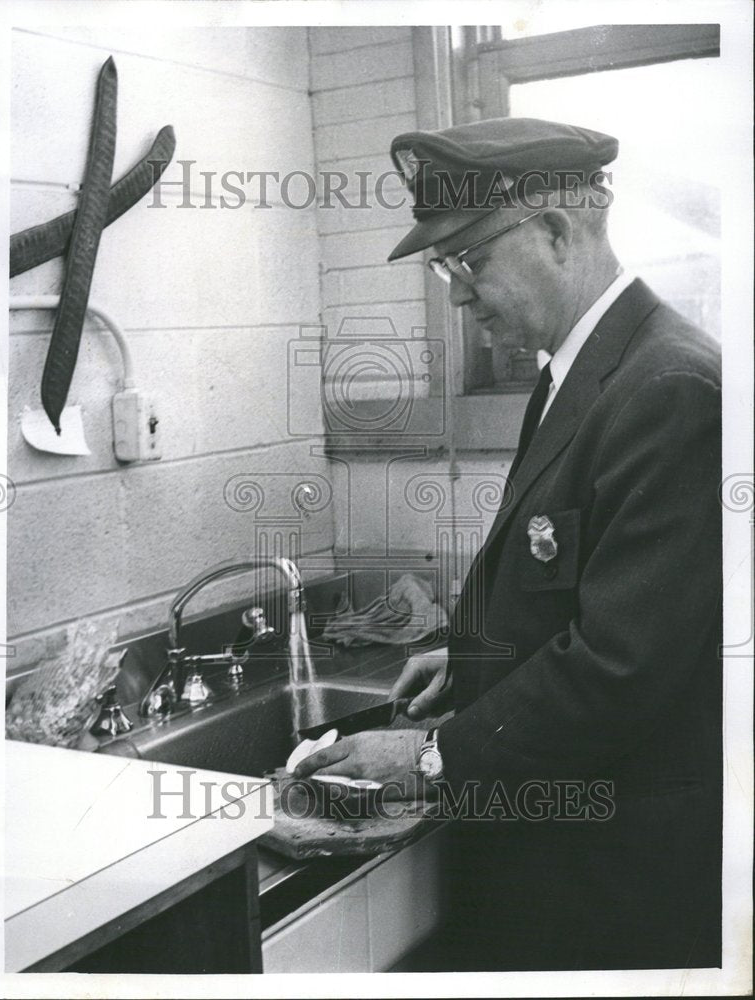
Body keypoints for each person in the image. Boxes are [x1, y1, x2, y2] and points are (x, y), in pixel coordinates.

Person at [294, 117, 722, 971]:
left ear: (556, 233)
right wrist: (468, 651)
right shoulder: (581, 368)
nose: (456, 295)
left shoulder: (670, 386)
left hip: (617, 871)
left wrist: (428, 752)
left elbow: (621, 664)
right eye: (443, 267)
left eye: (468, 261)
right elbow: (568, 575)